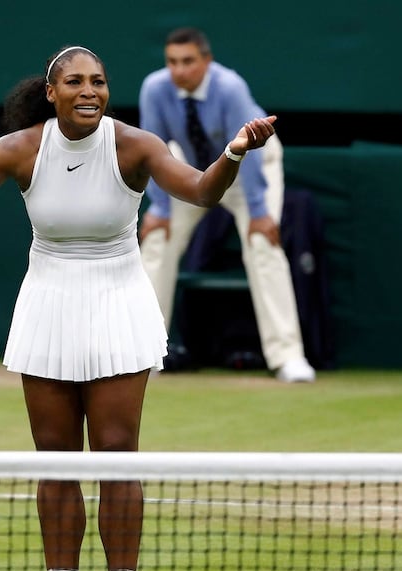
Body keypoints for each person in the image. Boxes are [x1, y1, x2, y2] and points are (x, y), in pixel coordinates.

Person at [0, 45, 277, 571]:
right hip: (47, 304)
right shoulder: (18, 149)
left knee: (117, 454)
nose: (89, 91)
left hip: (119, 302)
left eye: (97, 81)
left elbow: (200, 191)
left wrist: (233, 152)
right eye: (75, 82)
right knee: (54, 458)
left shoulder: (135, 146)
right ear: (52, 93)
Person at [137, 27, 316, 383]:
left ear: (207, 61)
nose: (179, 70)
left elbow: (247, 150)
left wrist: (260, 213)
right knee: (157, 241)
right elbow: (154, 148)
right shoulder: (155, 89)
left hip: (250, 165)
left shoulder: (230, 87)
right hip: (192, 169)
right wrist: (158, 207)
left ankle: (288, 356)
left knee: (263, 243)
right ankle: (144, 354)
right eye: (172, 62)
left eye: (188, 61)